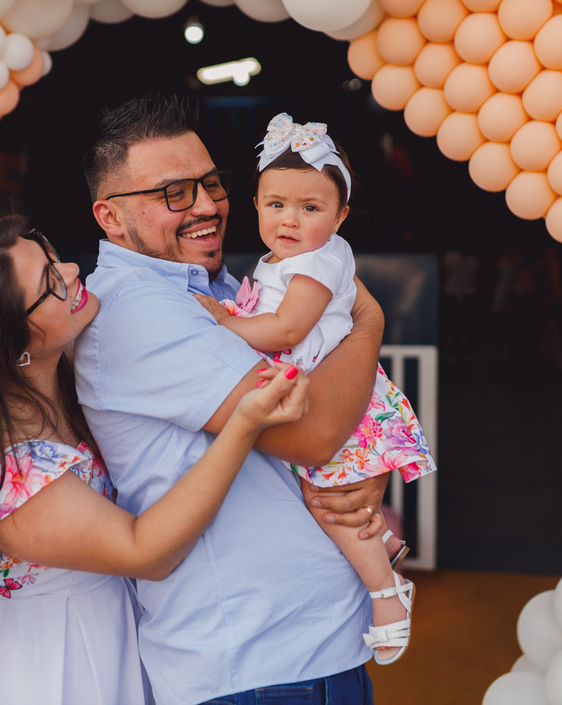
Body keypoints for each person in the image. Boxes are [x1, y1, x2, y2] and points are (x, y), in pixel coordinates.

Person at [0, 215, 311, 705]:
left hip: (93, 639)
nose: (72, 271)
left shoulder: (69, 377)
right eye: (50, 282)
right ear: (3, 346)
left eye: (51, 255)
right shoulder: (2, 473)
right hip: (34, 668)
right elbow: (144, 550)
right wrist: (244, 425)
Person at [75, 94, 391, 705]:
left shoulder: (213, 286)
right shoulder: (138, 309)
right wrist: (369, 318)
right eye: (174, 193)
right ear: (110, 217)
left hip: (303, 645)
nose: (206, 206)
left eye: (212, 183)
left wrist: (361, 470)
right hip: (257, 661)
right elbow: (313, 433)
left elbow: (328, 417)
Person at [193, 114, 437, 665]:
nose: (289, 219)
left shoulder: (320, 261)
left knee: (326, 504)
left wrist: (223, 322)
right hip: (323, 388)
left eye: (310, 208)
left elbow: (286, 330)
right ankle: (383, 544)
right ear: (255, 205)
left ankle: (387, 594)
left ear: (341, 215)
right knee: (324, 498)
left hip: (340, 397)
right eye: (276, 204)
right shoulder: (286, 260)